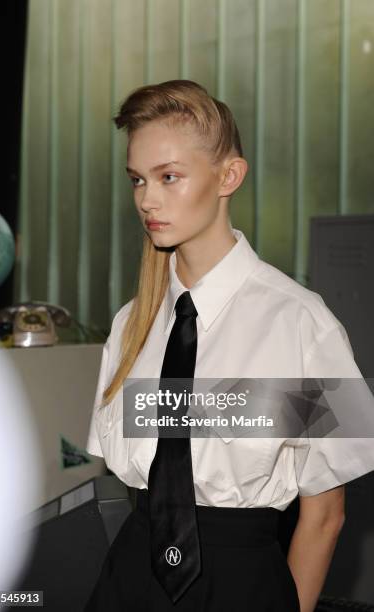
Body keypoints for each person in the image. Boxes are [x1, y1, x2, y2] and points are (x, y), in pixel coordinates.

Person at [85, 80, 374, 611]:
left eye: (169, 177)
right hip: (129, 582)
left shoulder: (301, 324)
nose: (147, 200)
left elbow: (326, 515)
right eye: (137, 180)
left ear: (228, 176)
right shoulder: (131, 325)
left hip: (243, 585)